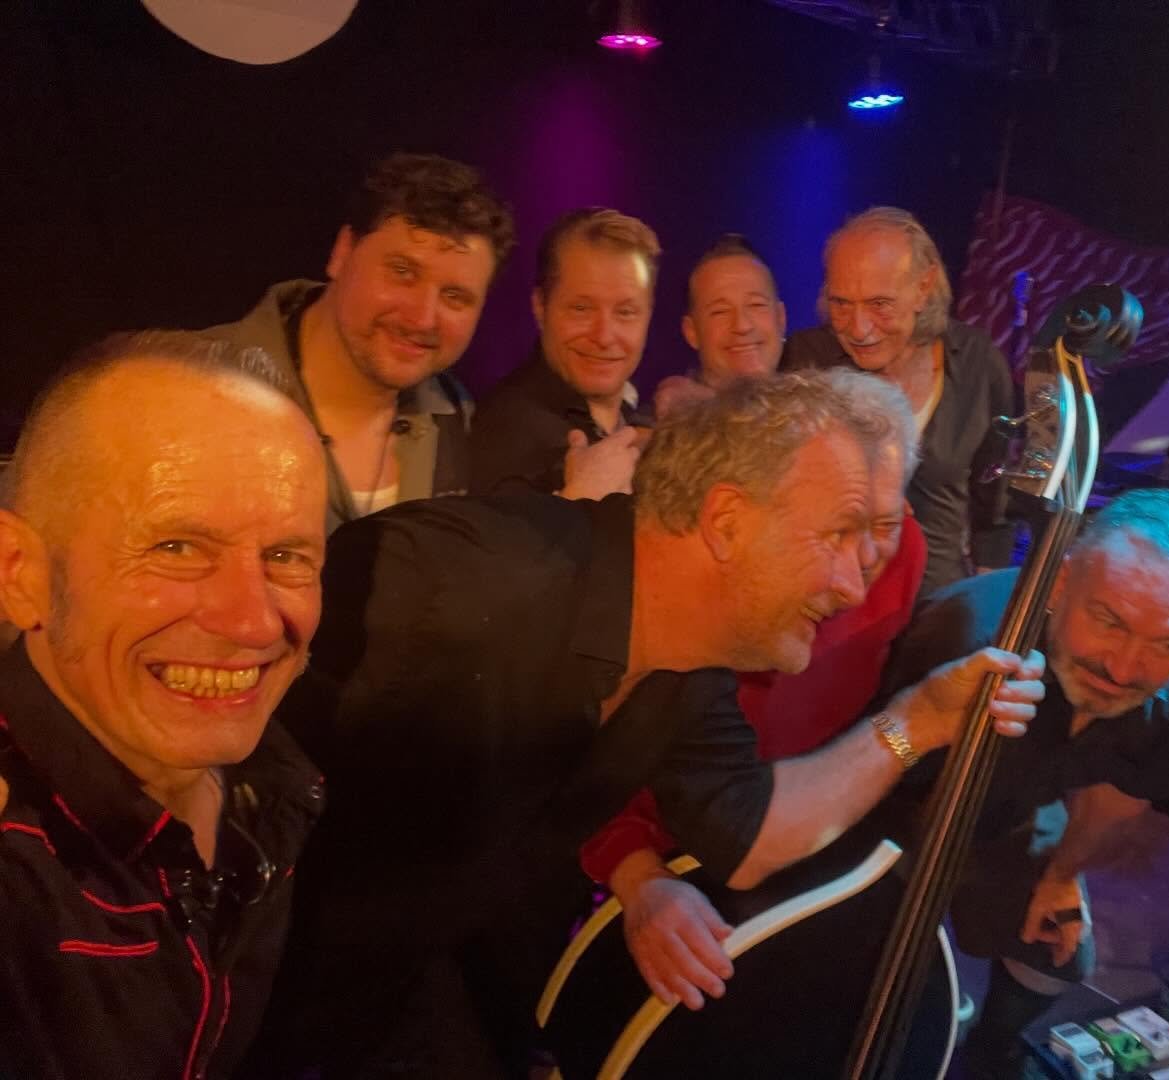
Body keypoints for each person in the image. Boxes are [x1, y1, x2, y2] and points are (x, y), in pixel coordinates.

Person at [245, 370, 1045, 1078]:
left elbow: (751, 836)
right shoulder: (453, 581)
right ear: (727, 521)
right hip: (235, 1004)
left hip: (391, 1000)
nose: (854, 584)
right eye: (838, 534)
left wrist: (922, 719)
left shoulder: (690, 672)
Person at [0, 331, 329, 1079]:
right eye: (176, 547)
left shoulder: (275, 785)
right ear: (21, 573)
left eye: (286, 556)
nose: (254, 622)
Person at [579, 372, 927, 1011]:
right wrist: (638, 875)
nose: (861, 565)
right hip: (667, 848)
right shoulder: (736, 579)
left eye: (884, 521)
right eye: (842, 527)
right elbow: (596, 733)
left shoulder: (905, 552)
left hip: (793, 844)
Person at [883, 487, 1169, 1080]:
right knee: (883, 969)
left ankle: (992, 1050)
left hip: (1016, 808)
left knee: (1057, 949)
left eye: (1167, 643)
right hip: (894, 805)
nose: (1124, 668)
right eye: (1110, 621)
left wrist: (1062, 876)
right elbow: (872, 751)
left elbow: (1115, 801)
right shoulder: (961, 631)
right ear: (1061, 582)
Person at [208, 152, 515, 532]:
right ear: (342, 252)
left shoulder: (461, 422)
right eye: (402, 272)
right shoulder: (189, 387)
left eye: (455, 297)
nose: (422, 318)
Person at [783, 206, 1016, 593]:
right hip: (834, 600)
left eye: (880, 304)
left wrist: (985, 600)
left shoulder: (978, 363)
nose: (859, 329)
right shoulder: (806, 361)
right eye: (841, 304)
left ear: (924, 287)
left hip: (939, 605)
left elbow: (995, 505)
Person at [468, 207, 660, 500]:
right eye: (581, 309)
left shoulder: (635, 421)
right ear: (540, 307)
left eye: (625, 312)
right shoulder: (511, 433)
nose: (604, 336)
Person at [651, 234, 787, 420]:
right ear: (691, 332)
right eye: (720, 311)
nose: (742, 325)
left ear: (781, 318)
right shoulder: (661, 427)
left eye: (756, 305)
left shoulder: (813, 418)